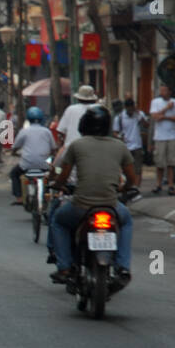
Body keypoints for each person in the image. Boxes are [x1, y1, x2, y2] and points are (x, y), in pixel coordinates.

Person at [49, 104, 139, 285]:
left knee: (58, 221)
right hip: (111, 205)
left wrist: (58, 185)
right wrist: (123, 189)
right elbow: (132, 178)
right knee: (126, 221)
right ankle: (123, 267)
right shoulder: (120, 146)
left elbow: (63, 176)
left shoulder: (76, 145)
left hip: (80, 206)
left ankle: (65, 267)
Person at [9, 106, 57, 202]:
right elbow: (53, 149)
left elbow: (15, 147)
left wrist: (14, 153)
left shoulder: (24, 131)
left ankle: (19, 197)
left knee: (14, 173)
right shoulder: (47, 132)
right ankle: (53, 194)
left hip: (26, 164)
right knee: (55, 173)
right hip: (45, 165)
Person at [148, 82, 175, 194]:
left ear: (169, 92)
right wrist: (166, 108)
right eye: (161, 90)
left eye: (164, 90)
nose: (162, 92)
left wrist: (165, 117)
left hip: (172, 136)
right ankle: (158, 184)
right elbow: (155, 117)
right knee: (159, 163)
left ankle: (171, 185)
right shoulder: (155, 102)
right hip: (159, 137)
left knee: (171, 163)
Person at [54, 84, 100, 159]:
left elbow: (60, 132)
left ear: (78, 98)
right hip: (95, 150)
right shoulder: (98, 109)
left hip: (70, 149)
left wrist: (59, 147)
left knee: (55, 168)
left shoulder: (71, 109)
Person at [113, 96, 148, 185]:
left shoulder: (139, 115)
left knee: (138, 168)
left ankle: (136, 187)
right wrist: (120, 137)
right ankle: (127, 185)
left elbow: (146, 125)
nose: (130, 112)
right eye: (129, 109)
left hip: (137, 145)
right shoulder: (120, 117)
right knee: (125, 168)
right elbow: (115, 132)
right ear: (126, 108)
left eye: (132, 109)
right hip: (125, 146)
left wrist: (138, 115)